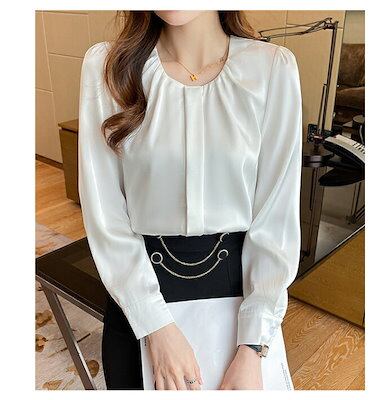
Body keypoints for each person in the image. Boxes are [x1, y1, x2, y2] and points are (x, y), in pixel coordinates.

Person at [78, 10, 303, 390]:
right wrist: (156, 326)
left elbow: (275, 218)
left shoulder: (272, 69)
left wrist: (252, 345)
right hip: (138, 294)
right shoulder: (108, 67)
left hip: (238, 301)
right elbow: (105, 214)